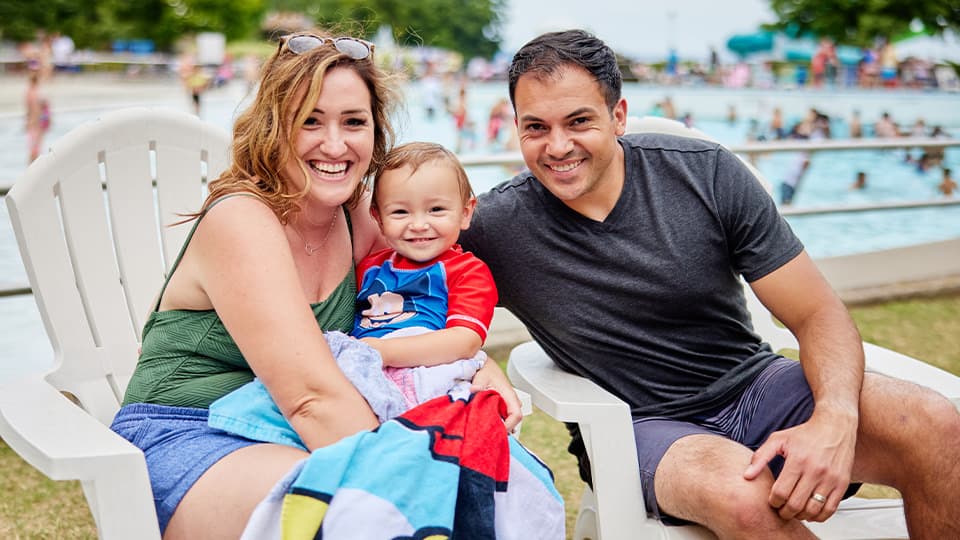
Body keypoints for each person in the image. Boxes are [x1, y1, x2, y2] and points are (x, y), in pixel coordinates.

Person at [459, 29, 960, 537]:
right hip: (642, 427)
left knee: (934, 423)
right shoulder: (496, 226)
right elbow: (399, 272)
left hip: (755, 385)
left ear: (619, 116)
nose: (558, 146)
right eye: (536, 128)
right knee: (742, 495)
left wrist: (834, 418)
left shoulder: (706, 174)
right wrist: (478, 363)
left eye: (579, 121)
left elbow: (817, 314)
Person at [109, 31, 520, 539]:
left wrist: (481, 368)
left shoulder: (358, 220)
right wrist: (418, 459)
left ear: (376, 130)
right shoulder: (242, 219)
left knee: (492, 474)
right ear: (274, 127)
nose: (335, 144)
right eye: (310, 121)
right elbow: (310, 398)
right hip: (193, 432)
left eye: (354, 122)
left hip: (299, 431)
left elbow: (416, 311)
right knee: (373, 506)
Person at [208, 141, 498, 441]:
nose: (419, 224)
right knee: (286, 394)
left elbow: (464, 341)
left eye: (436, 210)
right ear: (378, 218)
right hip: (366, 368)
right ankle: (244, 429)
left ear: (465, 213)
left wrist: (372, 351)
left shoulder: (466, 271)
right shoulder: (371, 266)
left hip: (423, 367)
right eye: (400, 212)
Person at [24, 70, 50, 163]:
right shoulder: (40, 93)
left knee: (33, 150)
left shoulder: (31, 93)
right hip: (40, 123)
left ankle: (31, 172)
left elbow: (34, 111)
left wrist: (30, 123)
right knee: (36, 149)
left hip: (35, 123)